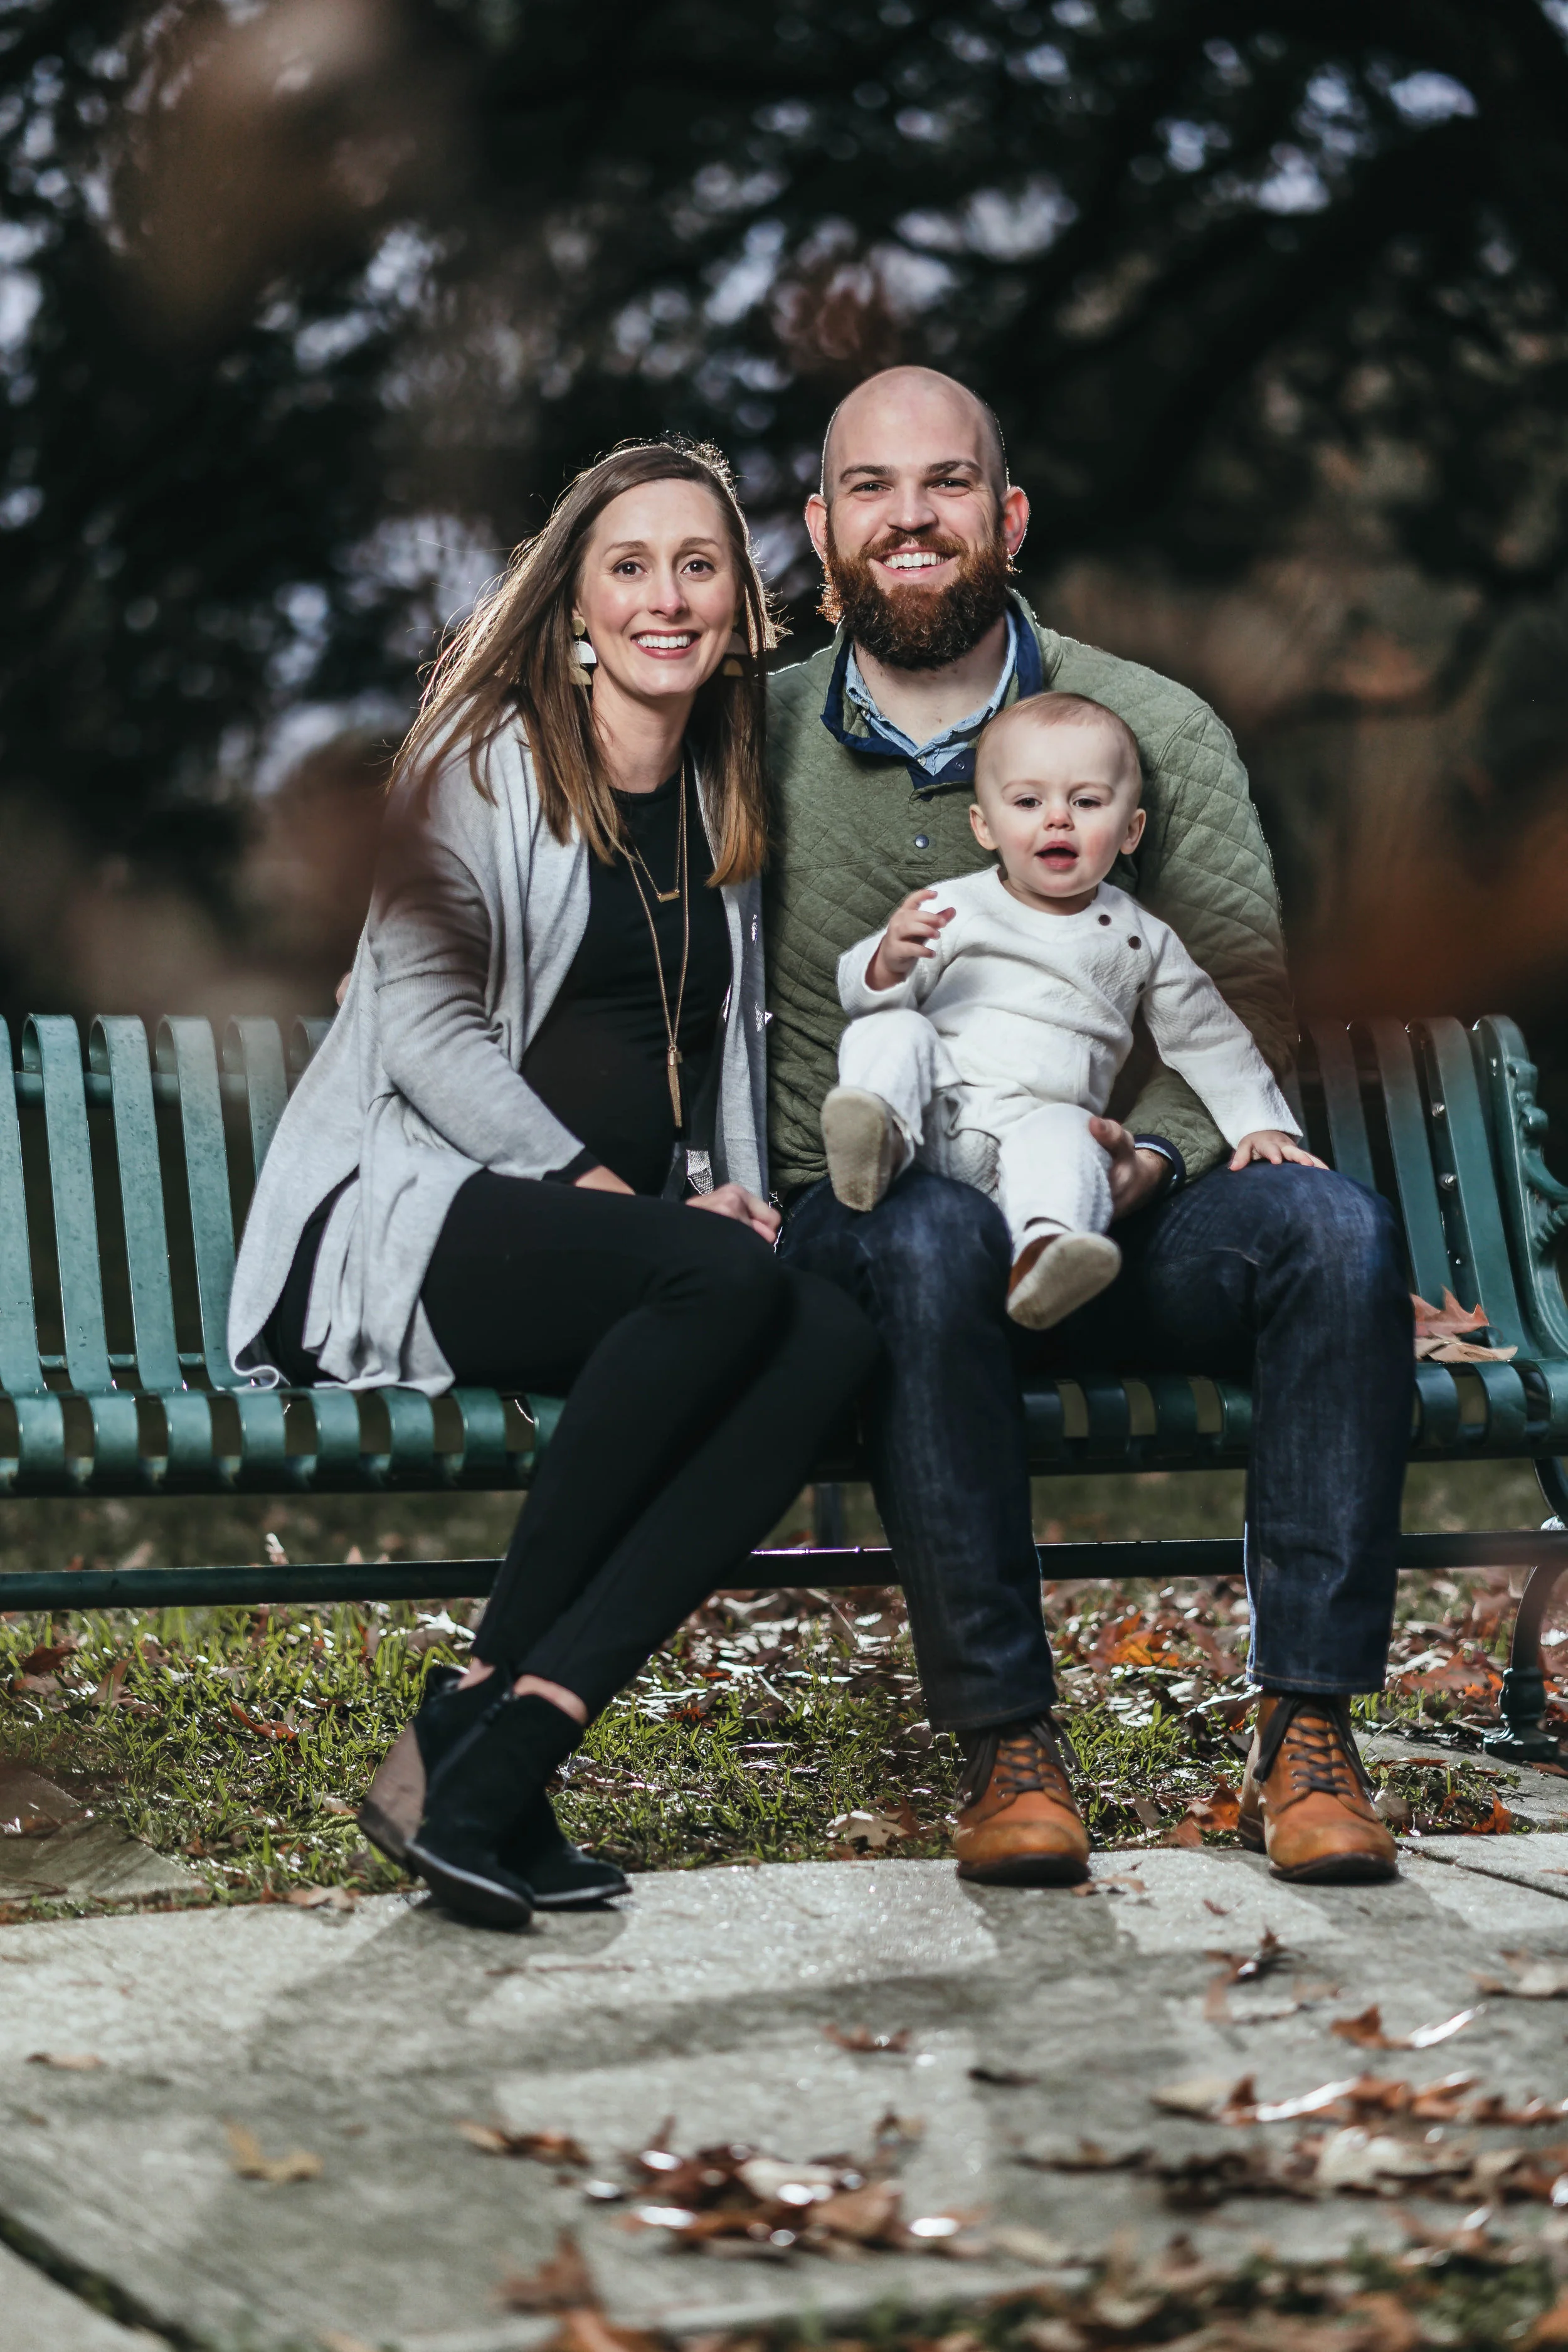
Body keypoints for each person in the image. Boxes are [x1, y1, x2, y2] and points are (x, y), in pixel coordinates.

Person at [766, 365, 1412, 1890]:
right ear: (822, 526)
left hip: (1107, 1216)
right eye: (872, 487)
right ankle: (1009, 1749)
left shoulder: (1154, 730)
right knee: (920, 1227)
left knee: (1331, 1227)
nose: (910, 517)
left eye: (946, 484)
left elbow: (1230, 1010)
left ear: (1008, 512)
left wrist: (1144, 1163)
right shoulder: (754, 735)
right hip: (886, 1221)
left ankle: (1307, 1734)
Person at [227, 439, 877, 1930]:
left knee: (832, 1327)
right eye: (631, 566)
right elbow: (424, 1027)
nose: (669, 596)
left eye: (699, 566)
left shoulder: (727, 790)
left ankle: (514, 1737)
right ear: (576, 607)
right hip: (406, 1216)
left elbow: (704, 1038)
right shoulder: (480, 759)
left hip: (618, 1246)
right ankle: (474, 1720)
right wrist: (605, 1191)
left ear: (736, 607)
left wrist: (715, 1183)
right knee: (712, 1277)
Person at [822, 691, 1318, 1332]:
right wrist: (888, 961)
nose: (1057, 820)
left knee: (1071, 1135)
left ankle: (1045, 1252)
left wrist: (1257, 1122)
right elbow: (863, 997)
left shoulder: (1141, 936)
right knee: (894, 1028)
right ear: (984, 826)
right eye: (1028, 803)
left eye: (1085, 803)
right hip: (933, 1125)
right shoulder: (950, 907)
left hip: (1034, 1140)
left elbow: (1206, 1036)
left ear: (1131, 830)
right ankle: (872, 1135)